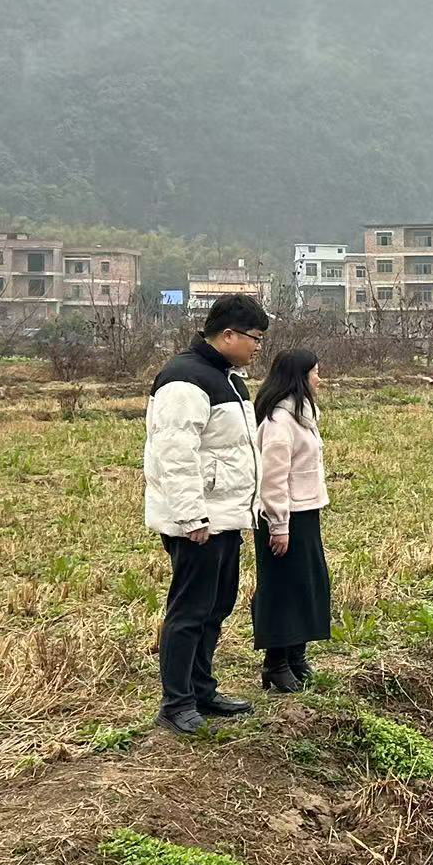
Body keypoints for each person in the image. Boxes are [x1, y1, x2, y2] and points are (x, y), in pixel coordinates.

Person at [143, 293, 269, 734]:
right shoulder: (184, 380)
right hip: (199, 521)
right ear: (228, 334)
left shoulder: (229, 378)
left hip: (228, 515)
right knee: (189, 609)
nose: (258, 347)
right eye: (254, 338)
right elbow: (174, 454)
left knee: (217, 605)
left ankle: (201, 690)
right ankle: (176, 704)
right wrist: (192, 517)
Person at [251, 348, 331, 692]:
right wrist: (279, 525)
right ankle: (276, 664)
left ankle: (296, 655)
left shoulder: (303, 416)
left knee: (305, 585)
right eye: (315, 372)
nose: (319, 378)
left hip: (305, 512)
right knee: (281, 590)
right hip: (284, 518)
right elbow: (273, 477)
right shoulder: (279, 422)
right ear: (299, 377)